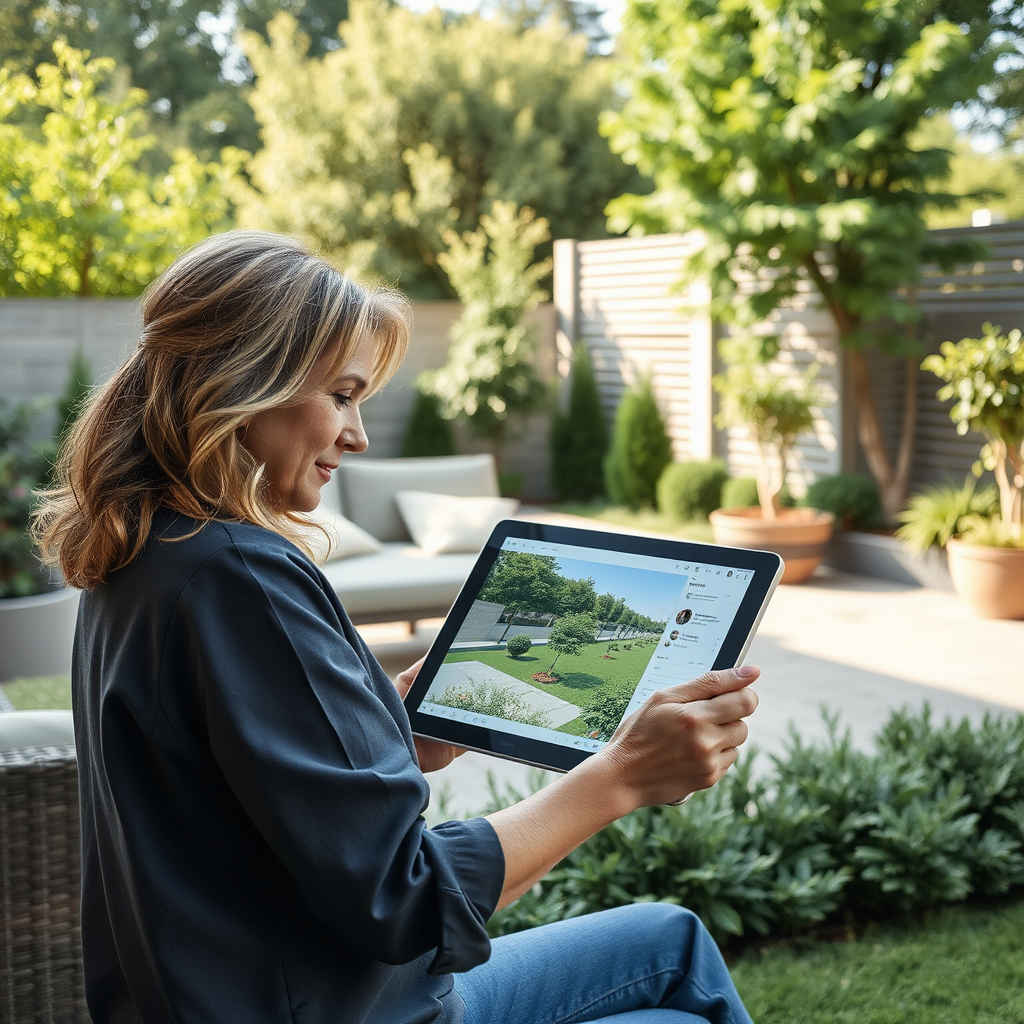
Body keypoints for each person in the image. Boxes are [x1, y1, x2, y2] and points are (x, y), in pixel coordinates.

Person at [33, 231, 760, 1024]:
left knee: (670, 940)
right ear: (245, 384)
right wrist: (620, 776)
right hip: (343, 1010)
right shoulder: (238, 577)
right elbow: (402, 899)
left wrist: (384, 728)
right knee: (672, 988)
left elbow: (227, 783)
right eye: (340, 395)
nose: (359, 434)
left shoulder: (147, 550)